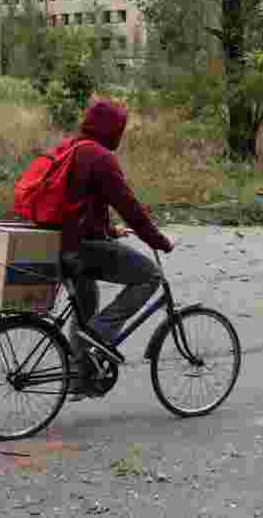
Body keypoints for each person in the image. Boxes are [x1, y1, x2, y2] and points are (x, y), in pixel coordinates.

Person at [57, 99, 174, 399]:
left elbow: (82, 205)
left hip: (59, 245)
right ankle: (92, 341)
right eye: (120, 129)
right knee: (150, 276)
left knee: (87, 302)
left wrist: (110, 230)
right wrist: (158, 240)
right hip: (82, 249)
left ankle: (80, 374)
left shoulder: (71, 148)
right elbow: (130, 207)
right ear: (111, 130)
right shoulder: (100, 157)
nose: (120, 136)